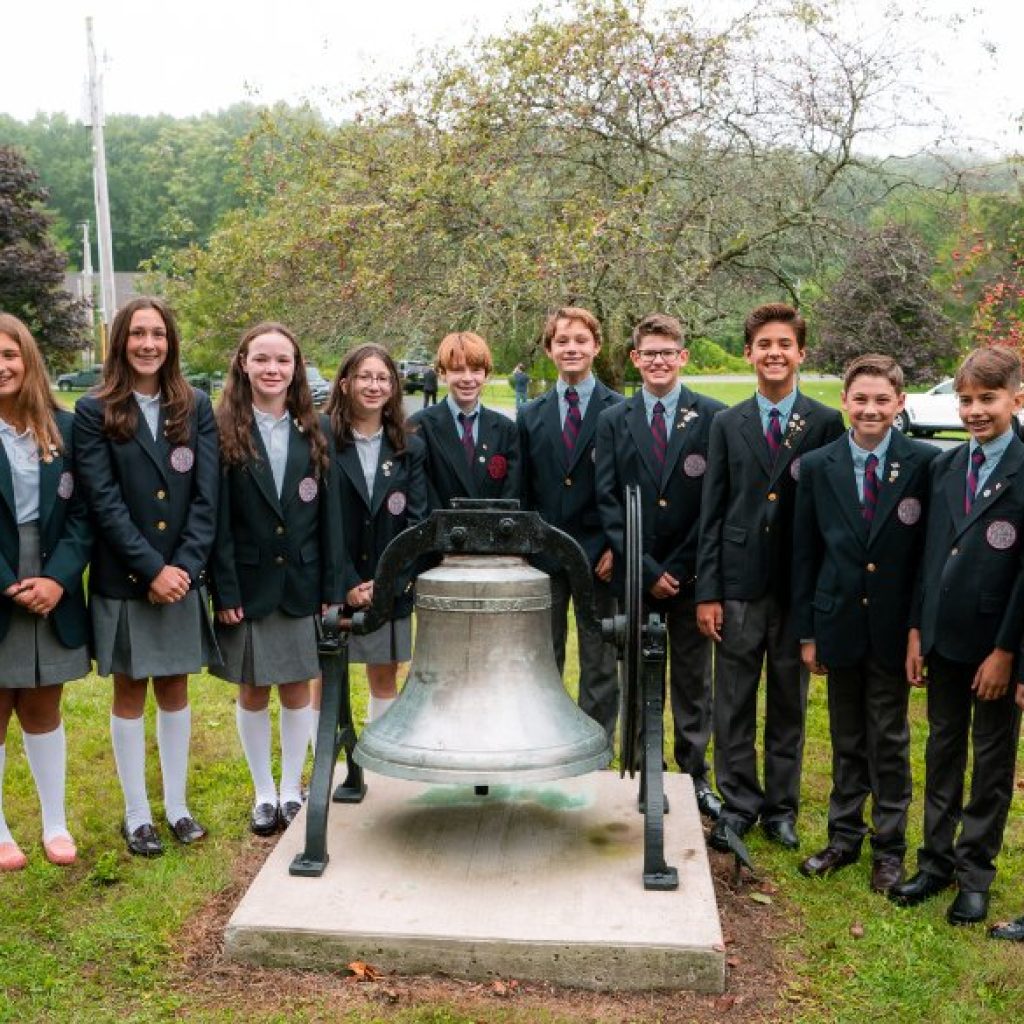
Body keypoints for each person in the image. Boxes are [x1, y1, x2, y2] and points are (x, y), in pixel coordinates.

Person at [696, 303, 845, 852]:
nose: (774, 353)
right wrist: (708, 590)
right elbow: (712, 511)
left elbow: (831, 519)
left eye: (784, 344)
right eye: (764, 345)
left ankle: (781, 807)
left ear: (800, 352)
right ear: (749, 353)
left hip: (795, 587)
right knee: (732, 699)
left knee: (788, 700)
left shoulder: (825, 422)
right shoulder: (727, 423)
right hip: (738, 585)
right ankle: (739, 803)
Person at [74, 297, 219, 857]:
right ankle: (137, 814)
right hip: (127, 578)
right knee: (130, 691)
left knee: (176, 688)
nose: (149, 344)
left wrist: (182, 567)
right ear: (120, 341)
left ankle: (177, 806)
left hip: (182, 576)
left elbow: (208, 496)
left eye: (158, 333)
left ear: (171, 341)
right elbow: (103, 501)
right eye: (138, 333)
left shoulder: (196, 405)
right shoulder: (95, 410)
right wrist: (152, 568)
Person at [791, 354, 936, 893]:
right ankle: (843, 836)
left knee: (889, 736)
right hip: (838, 622)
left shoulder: (923, 463)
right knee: (847, 735)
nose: (870, 409)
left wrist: (920, 629)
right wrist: (808, 631)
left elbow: (927, 557)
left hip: (895, 630)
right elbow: (804, 553)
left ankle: (890, 847)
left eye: (882, 400)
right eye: (860, 399)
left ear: (900, 403)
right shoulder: (820, 465)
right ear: (844, 402)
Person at [891, 346, 1024, 927]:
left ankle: (974, 874)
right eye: (965, 400)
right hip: (943, 639)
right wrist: (919, 628)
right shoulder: (944, 467)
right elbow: (927, 559)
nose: (974, 411)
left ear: (1016, 399)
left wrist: (1007, 651)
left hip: (997, 644)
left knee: (991, 761)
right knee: (942, 748)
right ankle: (935, 860)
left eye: (987, 400)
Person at [208, 322, 342, 836]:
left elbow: (330, 520)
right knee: (253, 689)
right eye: (262, 359)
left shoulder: (317, 429)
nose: (272, 369)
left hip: (303, 585)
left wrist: (331, 590)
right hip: (247, 585)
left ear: (297, 368)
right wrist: (225, 589)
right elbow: (218, 519)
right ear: (243, 363)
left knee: (295, 688)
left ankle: (292, 788)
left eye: (283, 361)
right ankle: (263, 791)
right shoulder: (222, 428)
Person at [596, 313, 726, 817]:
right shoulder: (614, 421)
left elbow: (715, 503)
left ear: (683, 357)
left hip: (691, 576)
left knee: (693, 681)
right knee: (637, 675)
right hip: (637, 575)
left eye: (667, 352)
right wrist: (647, 568)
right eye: (648, 353)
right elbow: (608, 502)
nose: (658, 361)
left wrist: (683, 566)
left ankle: (693, 773)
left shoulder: (713, 418)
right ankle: (643, 768)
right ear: (635, 359)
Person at [0, 314, 91, 871]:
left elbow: (83, 513)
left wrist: (57, 577)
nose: (1, 367)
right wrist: (8, 581)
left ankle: (54, 821)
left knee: (43, 701)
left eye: (9, 354)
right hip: (3, 574)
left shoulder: (64, 427)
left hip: (53, 574)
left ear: (28, 360)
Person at [518, 307, 622, 740]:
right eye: (563, 341)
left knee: (600, 661)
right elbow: (523, 491)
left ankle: (595, 747)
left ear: (596, 346)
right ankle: (546, 741)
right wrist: (528, 550)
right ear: (549, 349)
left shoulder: (619, 410)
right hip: (545, 556)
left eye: (581, 340)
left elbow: (626, 488)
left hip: (600, 557)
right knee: (543, 658)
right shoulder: (530, 414)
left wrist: (617, 546)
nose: (572, 348)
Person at [327, 344, 428, 723]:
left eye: (383, 378)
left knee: (384, 674)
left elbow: (415, 522)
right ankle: (330, 762)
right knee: (326, 673)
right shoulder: (323, 440)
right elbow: (321, 521)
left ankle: (376, 759)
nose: (374, 385)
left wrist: (387, 583)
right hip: (337, 581)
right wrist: (347, 583)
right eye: (365, 376)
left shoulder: (409, 447)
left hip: (391, 583)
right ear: (345, 383)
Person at [407, 332, 520, 509]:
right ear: (442, 373)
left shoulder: (507, 430)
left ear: (486, 375)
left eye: (476, 370)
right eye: (458, 370)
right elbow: (421, 497)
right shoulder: (419, 427)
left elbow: (511, 496)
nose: (468, 379)